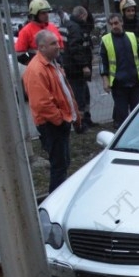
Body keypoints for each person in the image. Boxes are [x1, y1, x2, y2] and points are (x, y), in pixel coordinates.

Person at [23, 30, 80, 193]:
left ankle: (60, 195)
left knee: (63, 163)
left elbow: (63, 92)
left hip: (58, 123)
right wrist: (60, 120)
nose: (58, 46)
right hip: (52, 125)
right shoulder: (37, 70)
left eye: (58, 42)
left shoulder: (51, 64)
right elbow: (42, 104)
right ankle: (56, 199)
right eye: (54, 43)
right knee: (59, 166)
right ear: (41, 47)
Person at [99, 13, 139, 130]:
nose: (113, 26)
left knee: (137, 113)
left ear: (121, 22)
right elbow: (103, 62)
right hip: (118, 84)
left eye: (116, 23)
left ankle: (137, 133)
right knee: (122, 115)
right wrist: (105, 80)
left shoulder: (131, 36)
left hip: (135, 82)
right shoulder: (106, 40)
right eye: (111, 24)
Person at [63, 5, 97, 131]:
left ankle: (86, 119)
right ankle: (80, 124)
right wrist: (84, 66)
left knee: (84, 95)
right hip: (76, 70)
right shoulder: (75, 28)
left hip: (74, 68)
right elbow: (76, 48)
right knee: (79, 97)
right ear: (82, 15)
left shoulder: (70, 25)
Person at [15, 0, 64, 65]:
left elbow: (61, 49)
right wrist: (36, 62)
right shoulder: (26, 31)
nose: (47, 15)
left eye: (47, 12)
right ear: (35, 15)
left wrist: (60, 64)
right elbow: (20, 54)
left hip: (55, 67)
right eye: (43, 13)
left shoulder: (53, 27)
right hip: (38, 68)